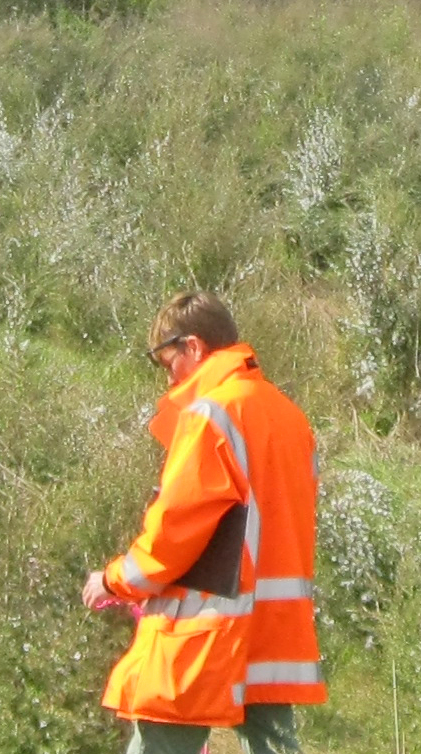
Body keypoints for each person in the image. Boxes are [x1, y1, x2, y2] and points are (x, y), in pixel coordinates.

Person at [80, 294, 323, 753]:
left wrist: (115, 580)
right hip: (274, 630)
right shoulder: (291, 417)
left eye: (166, 361)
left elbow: (175, 529)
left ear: (193, 347)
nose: (167, 376)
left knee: (161, 742)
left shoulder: (211, 415)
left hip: (203, 630)